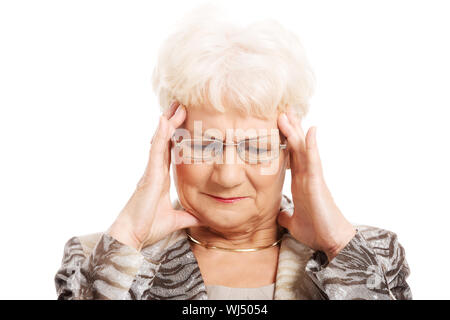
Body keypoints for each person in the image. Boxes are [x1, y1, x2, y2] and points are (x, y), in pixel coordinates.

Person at [54, 4, 412, 300]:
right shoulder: (97, 261)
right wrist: (129, 234)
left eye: (256, 148)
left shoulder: (371, 256)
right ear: (168, 148)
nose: (227, 176)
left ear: (291, 154)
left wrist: (336, 243)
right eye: (202, 144)